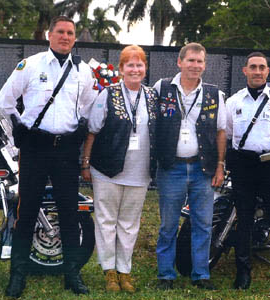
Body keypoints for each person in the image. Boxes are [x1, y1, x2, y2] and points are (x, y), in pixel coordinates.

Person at [0, 16, 97, 298]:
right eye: (60, 32)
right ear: (49, 35)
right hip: (36, 148)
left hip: (66, 150)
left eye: (70, 33)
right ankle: (18, 274)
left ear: (75, 38)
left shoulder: (83, 72)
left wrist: (81, 126)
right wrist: (19, 127)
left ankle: (72, 273)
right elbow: (5, 101)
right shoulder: (30, 65)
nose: (65, 37)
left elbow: (90, 106)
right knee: (26, 211)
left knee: (68, 213)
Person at [81, 45, 158, 293]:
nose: (135, 69)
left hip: (140, 171)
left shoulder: (152, 96)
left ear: (145, 68)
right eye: (129, 65)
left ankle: (125, 271)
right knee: (106, 221)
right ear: (121, 68)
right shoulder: (108, 93)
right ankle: (109, 273)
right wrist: (86, 163)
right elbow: (93, 131)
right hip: (107, 169)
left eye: (139, 64)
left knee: (129, 223)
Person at [153, 42, 226, 290]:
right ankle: (165, 274)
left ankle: (201, 274)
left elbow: (220, 132)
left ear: (205, 65)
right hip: (170, 168)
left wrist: (219, 166)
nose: (195, 65)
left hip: (202, 170)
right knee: (168, 225)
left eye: (200, 61)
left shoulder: (214, 94)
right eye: (191, 60)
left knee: (203, 224)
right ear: (180, 62)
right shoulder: (162, 88)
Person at [225, 51, 270, 290]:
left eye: (262, 67)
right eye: (253, 67)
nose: (257, 71)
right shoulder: (234, 102)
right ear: (244, 70)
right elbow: (226, 134)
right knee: (244, 220)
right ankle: (243, 273)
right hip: (243, 167)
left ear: (268, 71)